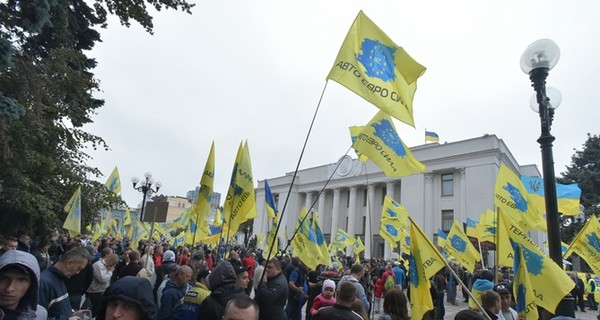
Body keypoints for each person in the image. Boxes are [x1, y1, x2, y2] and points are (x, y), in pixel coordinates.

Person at [39, 246, 91, 320]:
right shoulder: (44, 283)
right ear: (70, 263)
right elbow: (37, 317)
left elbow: (58, 310)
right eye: (78, 268)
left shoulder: (59, 279)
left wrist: (73, 313)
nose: (77, 272)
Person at [0, 250, 48, 319]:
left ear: (32, 285)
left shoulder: (39, 314)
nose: (9, 288)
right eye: (4, 279)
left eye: (21, 280)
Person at [87, 253, 118, 317]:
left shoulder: (105, 265)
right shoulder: (98, 265)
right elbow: (103, 279)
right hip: (96, 291)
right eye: (113, 264)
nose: (112, 266)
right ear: (110, 260)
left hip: (101, 290)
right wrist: (110, 272)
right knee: (96, 310)